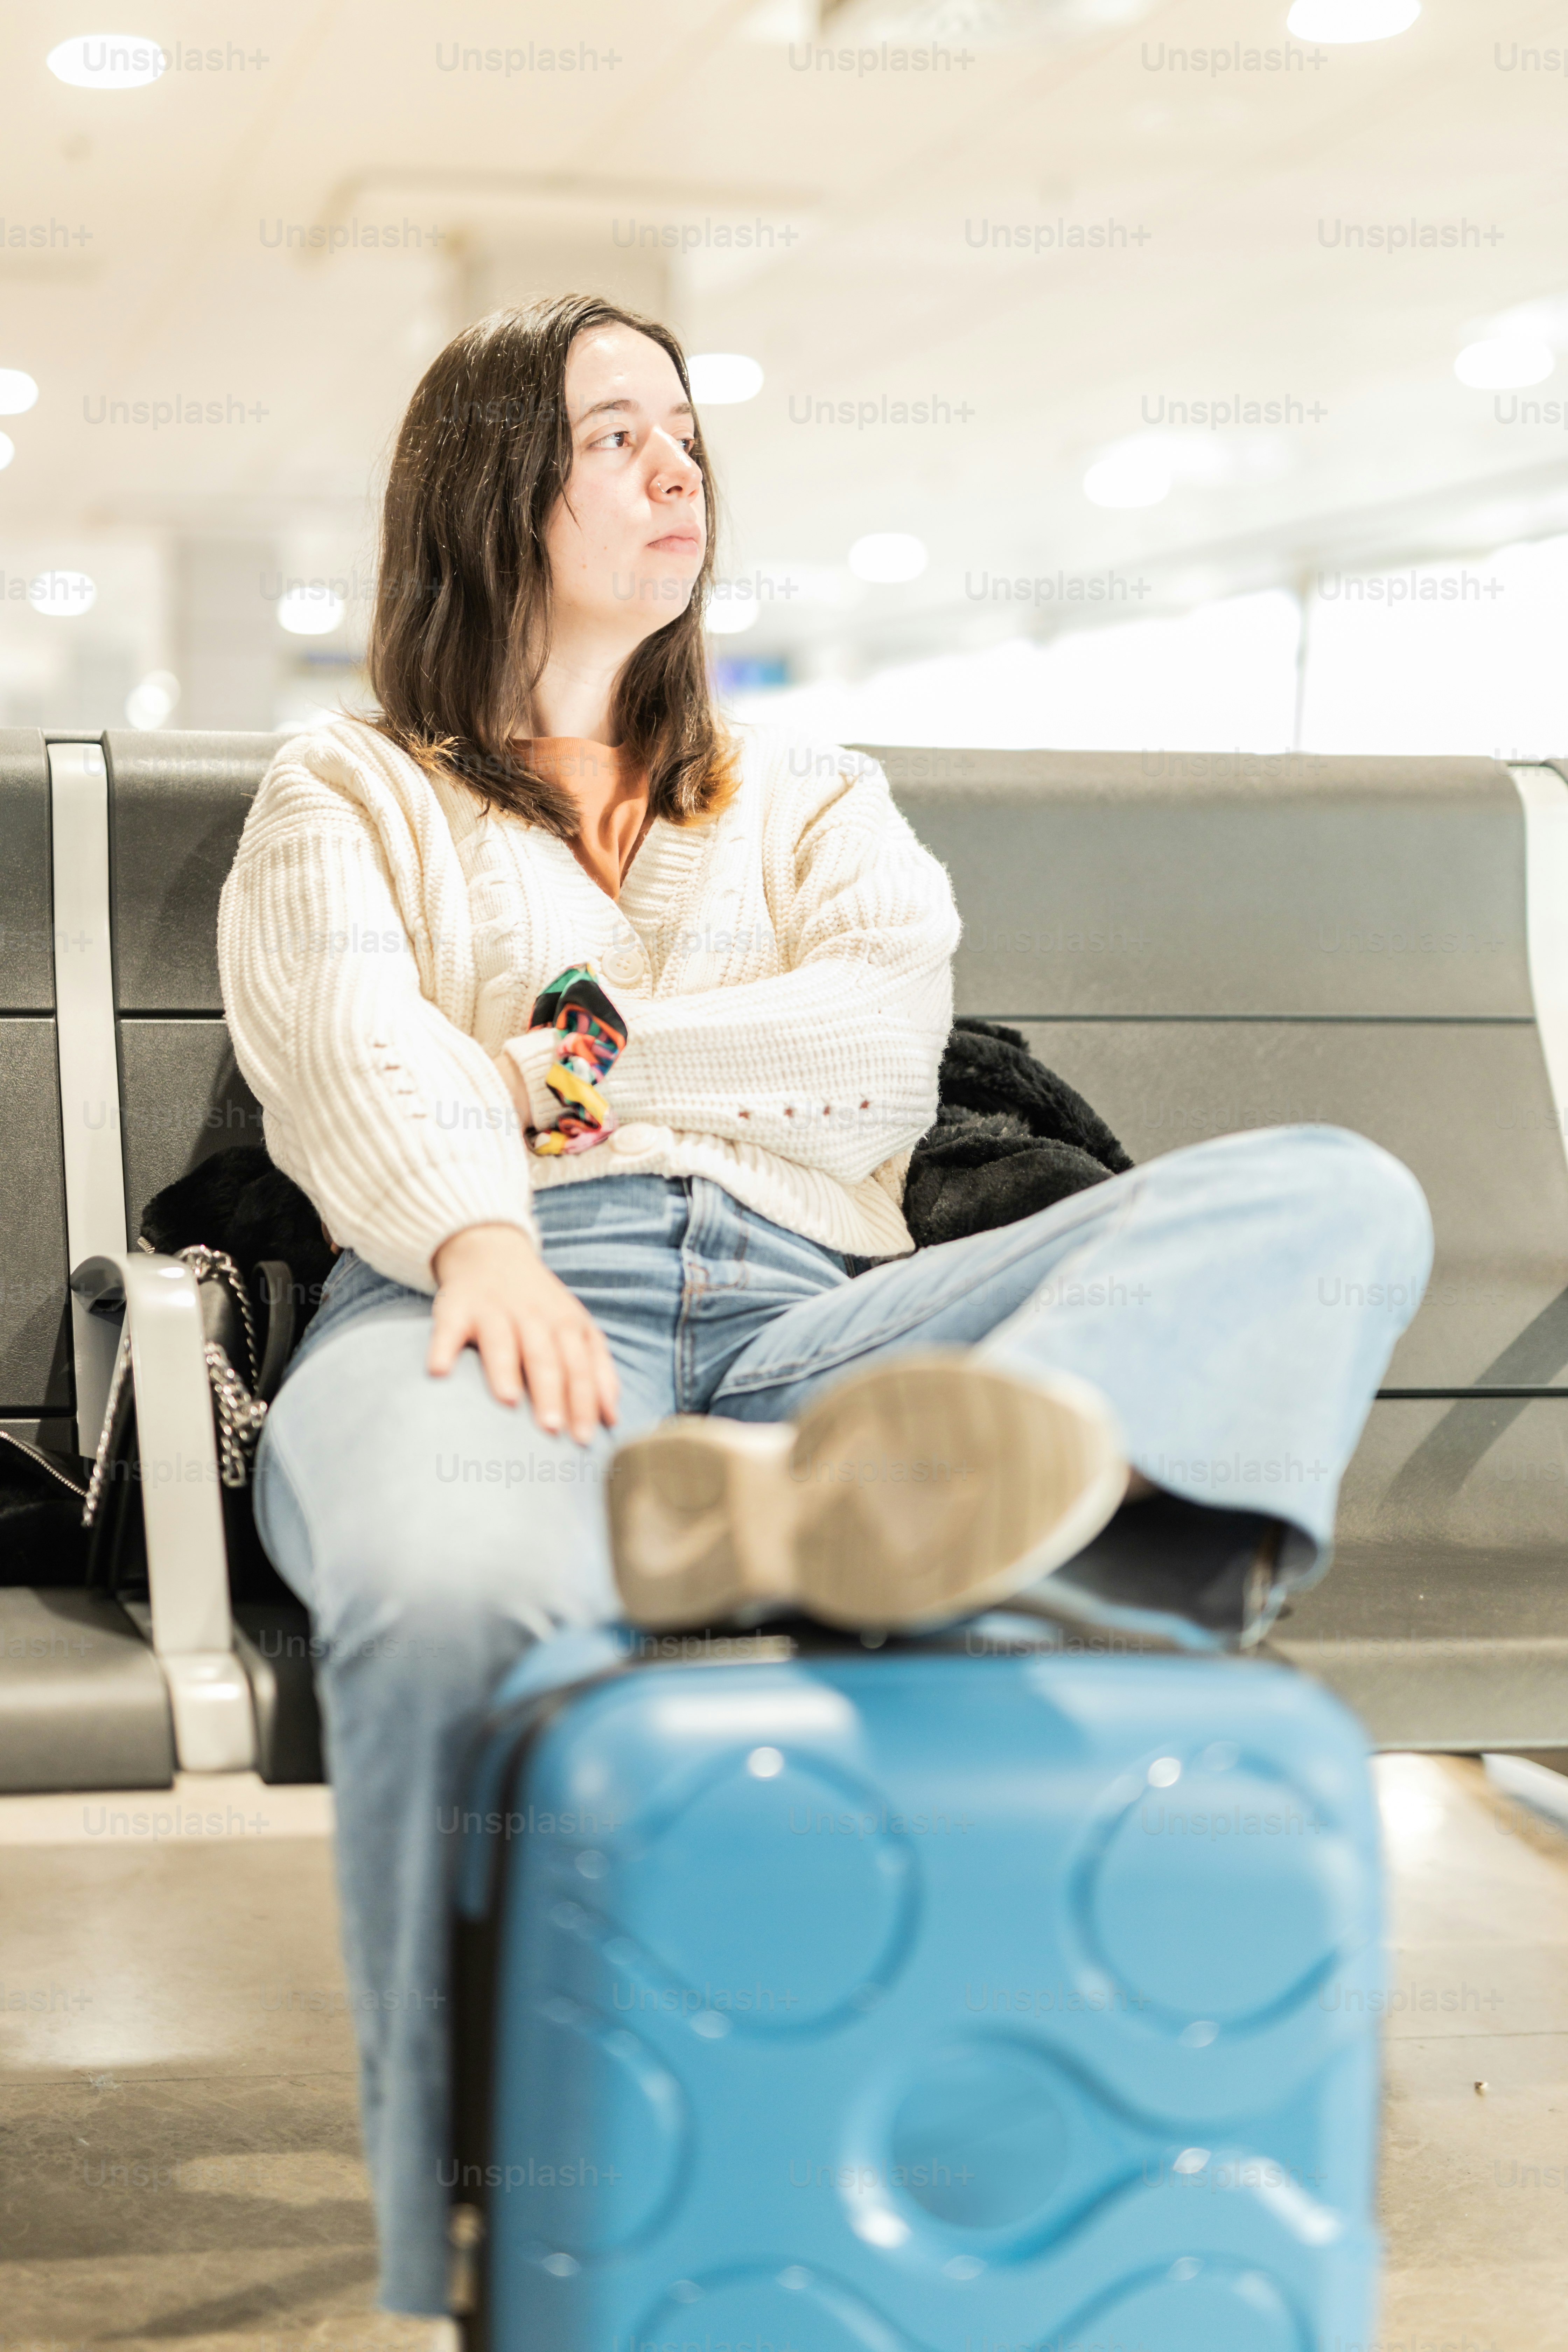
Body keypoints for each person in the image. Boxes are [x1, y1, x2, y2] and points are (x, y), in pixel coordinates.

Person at [217, 292, 1434, 2316]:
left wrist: (543, 1060)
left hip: (828, 1323)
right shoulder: (346, 789)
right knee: (448, 1592)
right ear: (488, 481)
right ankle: (486, 2216)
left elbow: (876, 1052)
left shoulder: (803, 788)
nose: (677, 464)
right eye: (616, 434)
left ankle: (956, 1551)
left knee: (1330, 1195)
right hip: (488, 1306)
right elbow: (355, 1056)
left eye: (686, 430)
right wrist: (489, 1221)